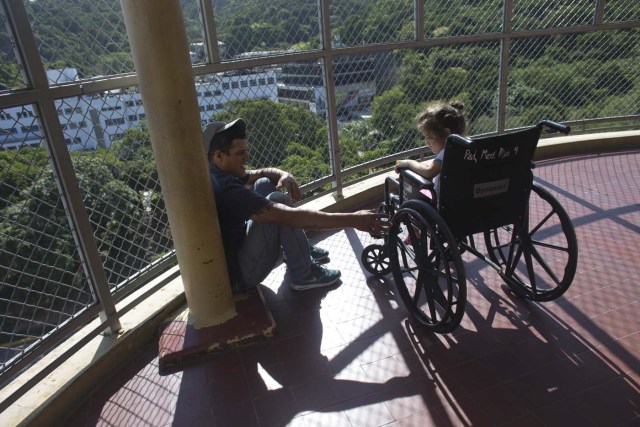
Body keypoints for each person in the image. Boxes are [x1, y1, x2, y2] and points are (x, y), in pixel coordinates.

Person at [204, 118, 389, 293]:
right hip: (242, 276)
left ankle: (301, 249)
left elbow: (260, 173)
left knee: (264, 183)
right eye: (240, 153)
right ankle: (304, 275)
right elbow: (290, 217)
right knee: (279, 201)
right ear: (220, 156)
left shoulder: (219, 173)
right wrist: (353, 219)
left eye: (246, 150)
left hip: (239, 253)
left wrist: (283, 174)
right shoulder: (226, 187)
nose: (247, 157)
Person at [394, 101, 467, 195]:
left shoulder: (447, 152)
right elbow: (432, 166)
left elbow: (429, 172)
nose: (427, 142)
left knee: (409, 191)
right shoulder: (464, 149)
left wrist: (409, 163)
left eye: (430, 137)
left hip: (440, 205)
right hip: (460, 202)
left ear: (446, 134)